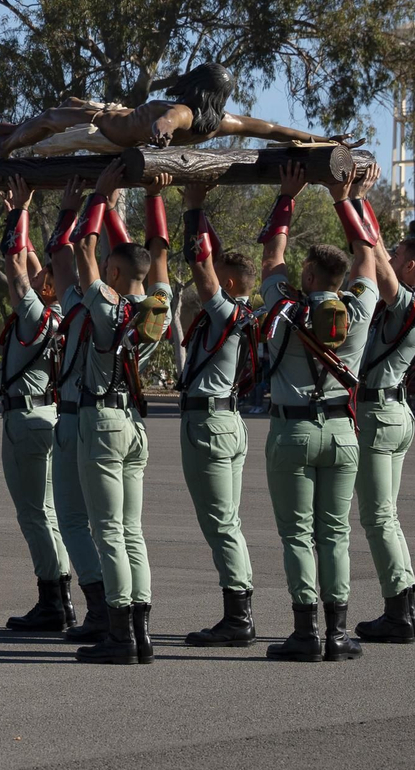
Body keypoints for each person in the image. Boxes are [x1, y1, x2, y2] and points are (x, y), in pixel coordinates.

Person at [55, 159, 172, 665]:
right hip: (135, 422)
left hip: (102, 420)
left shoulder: (106, 301)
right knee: (131, 529)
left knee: (106, 529)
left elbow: (81, 248)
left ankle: (121, 634)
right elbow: (160, 261)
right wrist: (154, 197)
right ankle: (141, 633)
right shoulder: (155, 308)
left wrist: (99, 197)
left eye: (110, 264)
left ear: (117, 272)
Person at [257, 160, 375, 662]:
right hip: (344, 432)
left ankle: (305, 632)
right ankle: (339, 633)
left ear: (308, 274)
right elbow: (367, 254)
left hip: (295, 432)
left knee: (297, 534)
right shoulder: (360, 309)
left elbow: (270, 258)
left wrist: (287, 197)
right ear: (340, 276)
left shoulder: (286, 312)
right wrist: (344, 197)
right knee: (336, 533)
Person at [175, 182, 259, 648]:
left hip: (208, 423)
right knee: (229, 521)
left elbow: (201, 263)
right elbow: (216, 257)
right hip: (228, 421)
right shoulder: (243, 310)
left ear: (226, 284)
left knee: (221, 523)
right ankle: (239, 610)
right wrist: (202, 212)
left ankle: (238, 616)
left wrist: (193, 207)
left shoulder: (224, 310)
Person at [354, 183, 415, 645]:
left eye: (397, 252)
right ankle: (402, 604)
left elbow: (378, 260)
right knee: (388, 515)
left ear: (408, 266)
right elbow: (379, 249)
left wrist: (349, 200)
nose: (389, 253)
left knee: (379, 517)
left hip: (379, 413)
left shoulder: (407, 300)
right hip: (394, 411)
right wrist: (359, 201)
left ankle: (399, 613)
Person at [0, 176, 72, 632]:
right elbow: (33, 265)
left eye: (45, 276)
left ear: (46, 289)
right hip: (49, 413)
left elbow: (13, 262)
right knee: (51, 512)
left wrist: (18, 211)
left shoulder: (34, 312)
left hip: (24, 418)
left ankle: (52, 599)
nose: (39, 272)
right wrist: (22, 211)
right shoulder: (61, 311)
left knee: (34, 513)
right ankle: (60, 596)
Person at [0, 63, 349, 157]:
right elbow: (272, 130)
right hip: (112, 114)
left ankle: (7, 145)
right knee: (69, 104)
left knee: (49, 116)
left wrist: (161, 131)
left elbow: (168, 120)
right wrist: (324, 140)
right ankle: (14, 129)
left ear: (198, 85)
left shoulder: (182, 113)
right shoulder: (222, 121)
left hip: (104, 127)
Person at [44, 182, 107, 644]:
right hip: (116, 420)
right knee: (116, 526)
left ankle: (101, 606)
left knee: (72, 519)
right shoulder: (143, 308)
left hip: (74, 417)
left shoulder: (84, 310)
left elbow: (66, 256)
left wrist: (79, 206)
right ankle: (122, 613)